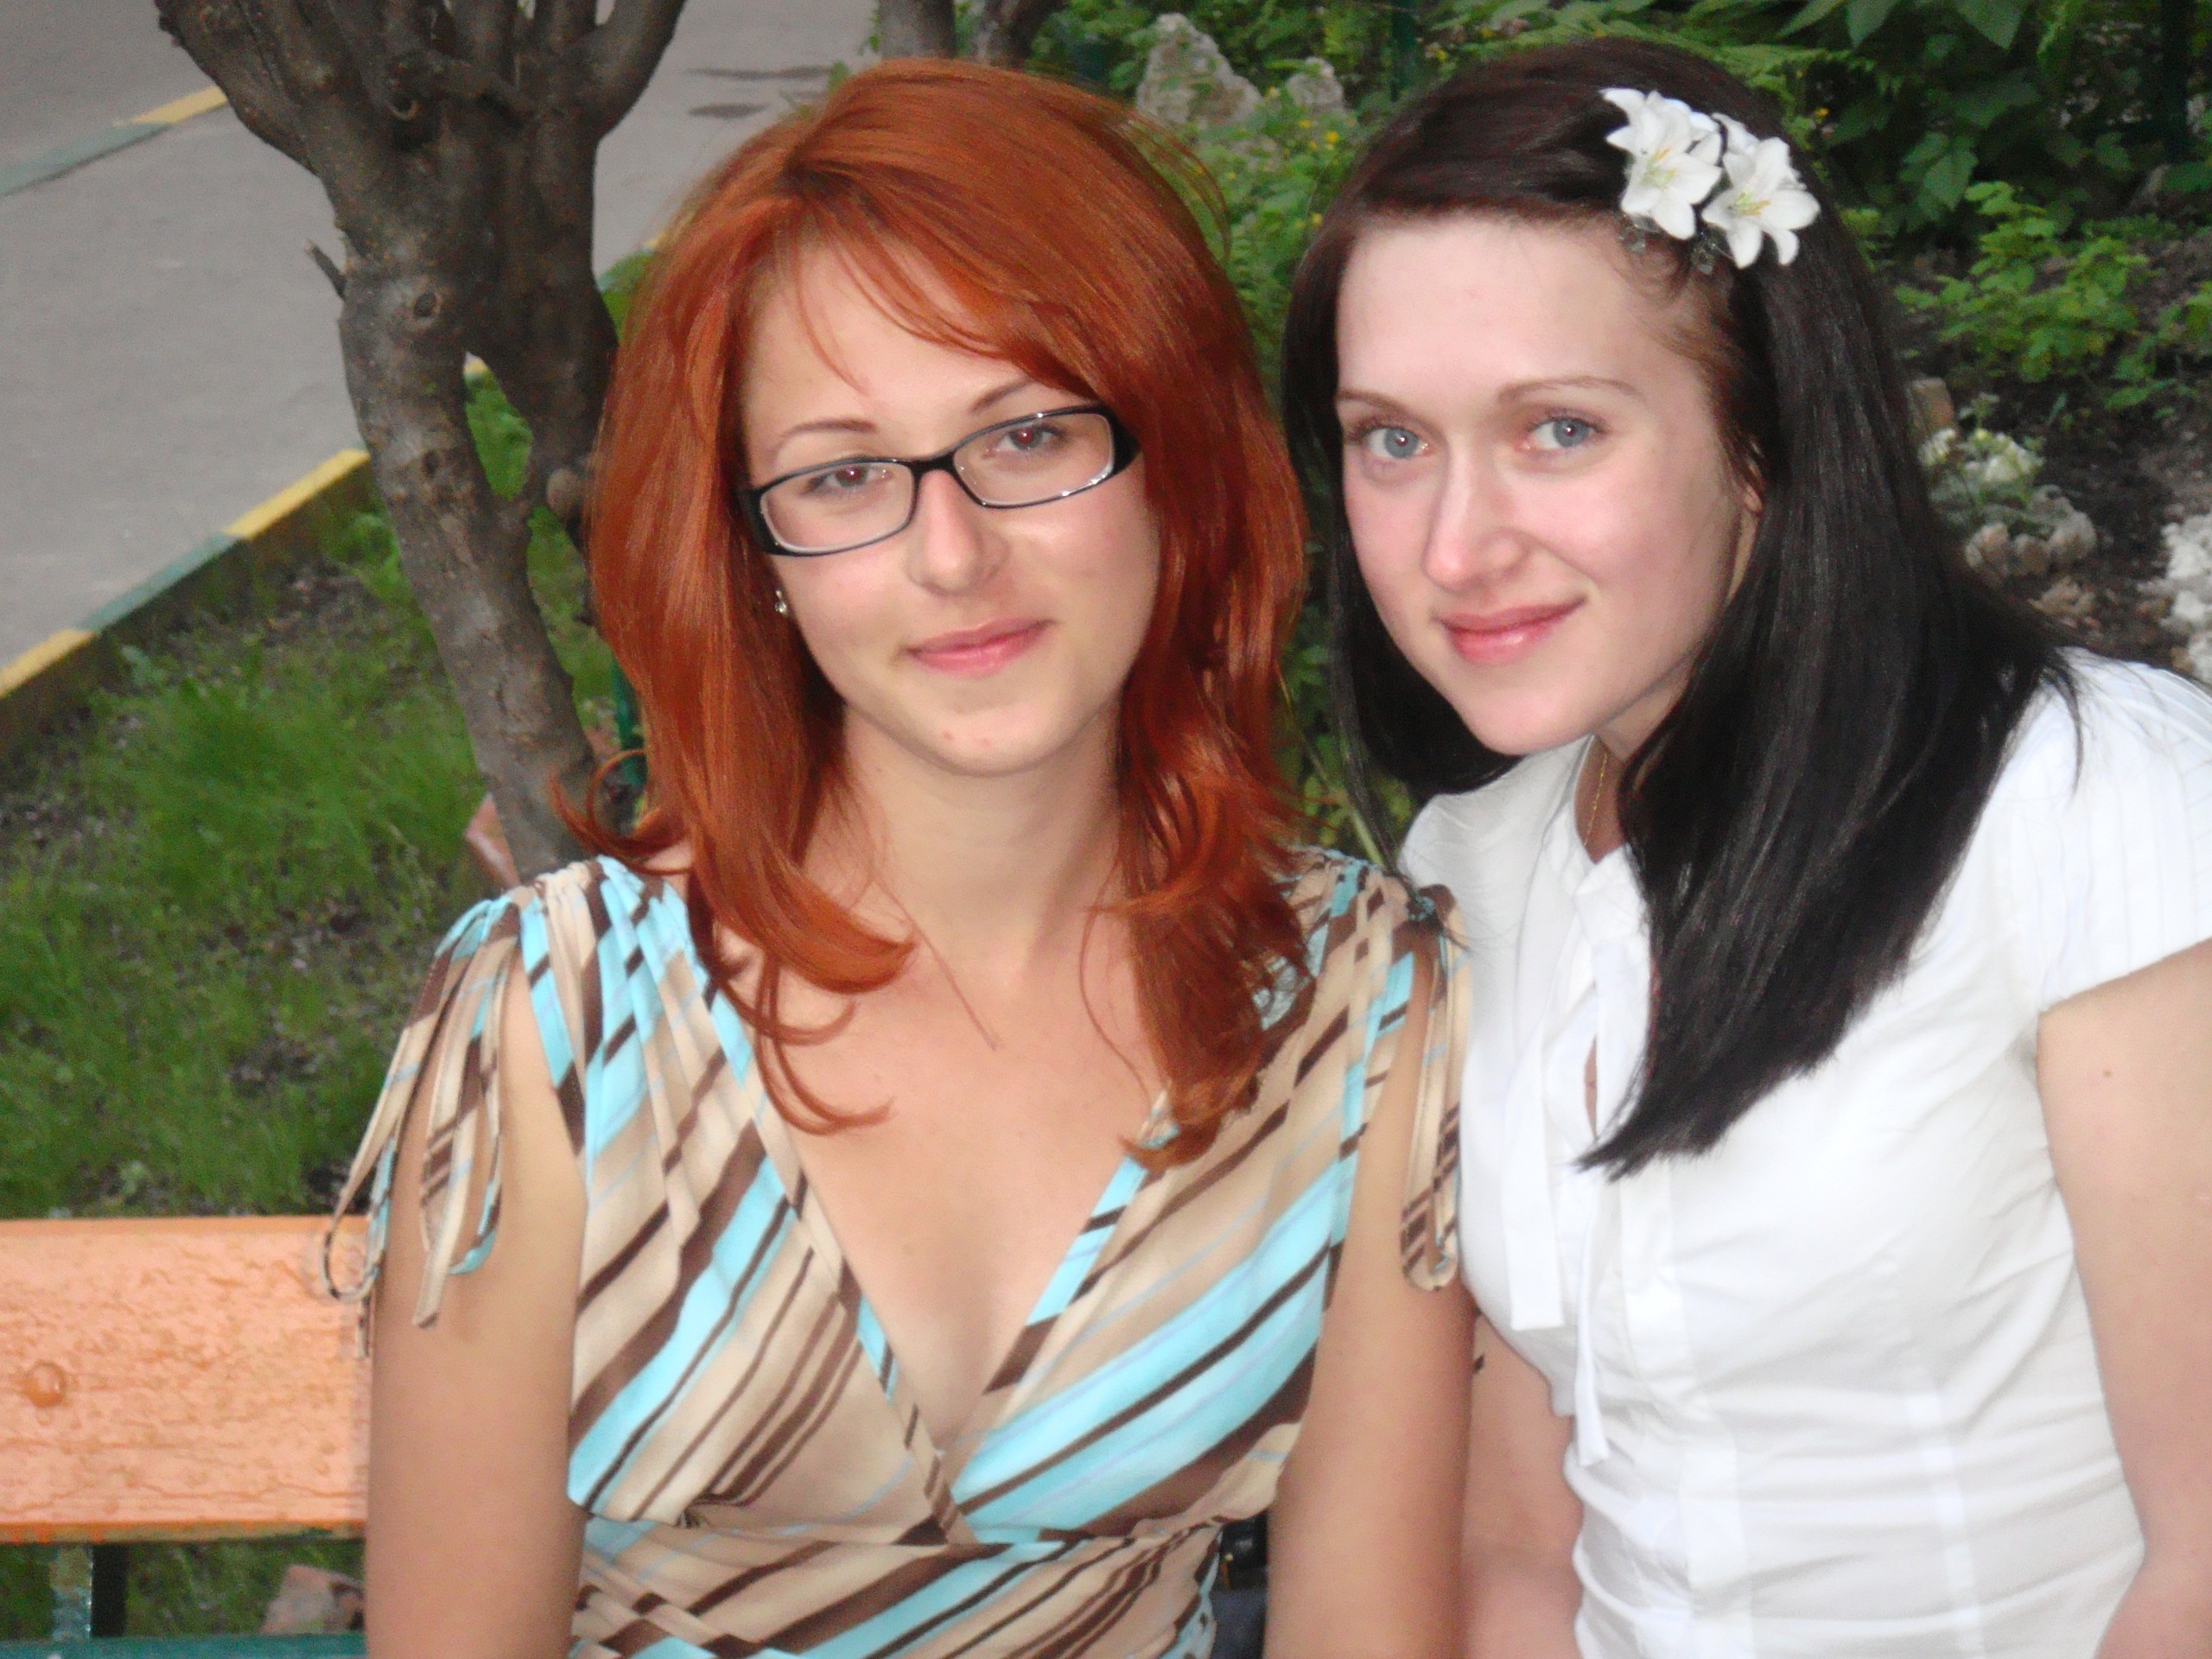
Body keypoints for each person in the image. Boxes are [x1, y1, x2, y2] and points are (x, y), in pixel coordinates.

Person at [323, 59, 1471, 1659]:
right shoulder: (559, 1020)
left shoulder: (1368, 1012)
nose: (953, 553)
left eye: (1029, 435)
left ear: (1180, 465)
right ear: (756, 551)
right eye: (844, 474)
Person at [1279, 37, 2212, 1659]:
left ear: (1763, 440)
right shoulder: (1475, 868)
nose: (1455, 546)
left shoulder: (2086, 805)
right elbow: (1519, 1545)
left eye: (1559, 430)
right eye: (1393, 440)